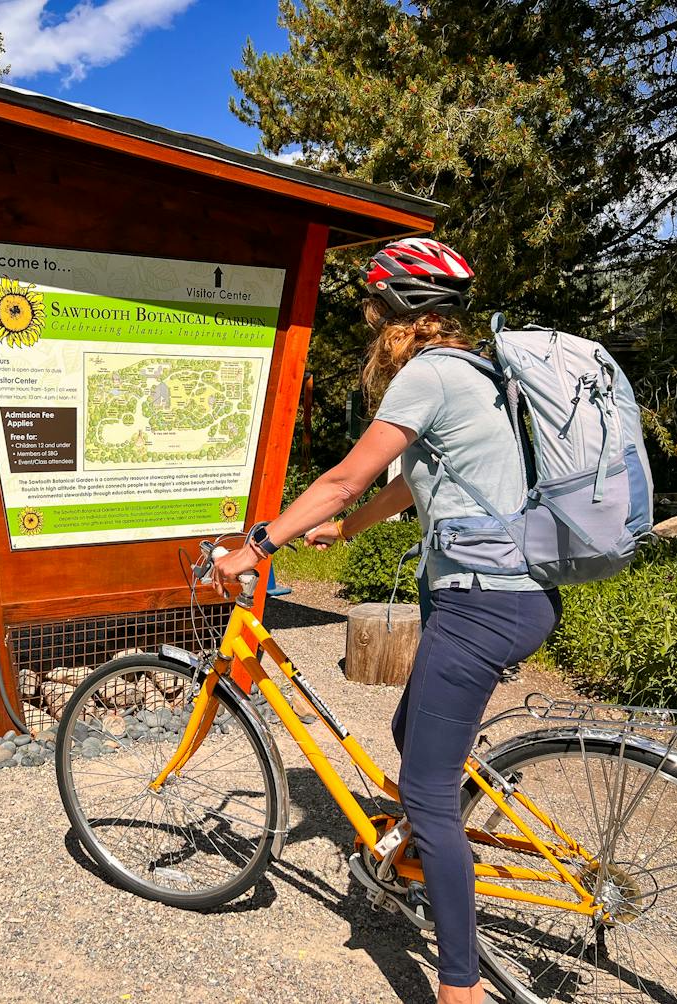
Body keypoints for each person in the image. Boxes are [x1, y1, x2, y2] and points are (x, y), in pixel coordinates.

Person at [213, 237, 561, 1004]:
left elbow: (344, 477)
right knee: (413, 736)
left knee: (429, 791)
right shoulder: (478, 374)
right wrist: (351, 530)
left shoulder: (430, 375)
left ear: (394, 311)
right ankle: (422, 853)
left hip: (482, 599)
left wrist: (256, 545)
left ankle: (459, 987)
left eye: (373, 306)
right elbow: (411, 481)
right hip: (508, 590)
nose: (369, 318)